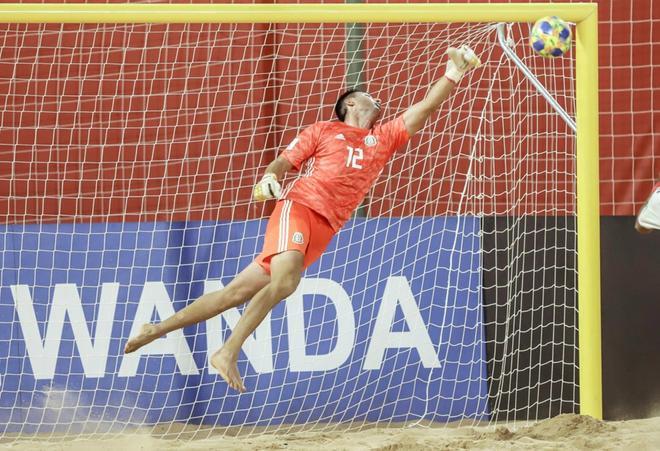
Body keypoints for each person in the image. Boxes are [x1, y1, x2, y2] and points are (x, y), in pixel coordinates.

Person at [124, 45, 481, 392]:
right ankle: (228, 351)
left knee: (234, 293)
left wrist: (454, 72)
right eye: (371, 96)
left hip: (325, 228)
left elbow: (426, 107)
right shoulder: (323, 130)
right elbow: (284, 161)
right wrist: (270, 176)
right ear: (351, 103)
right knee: (286, 282)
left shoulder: (382, 138)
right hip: (300, 207)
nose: (379, 102)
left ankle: (154, 329)